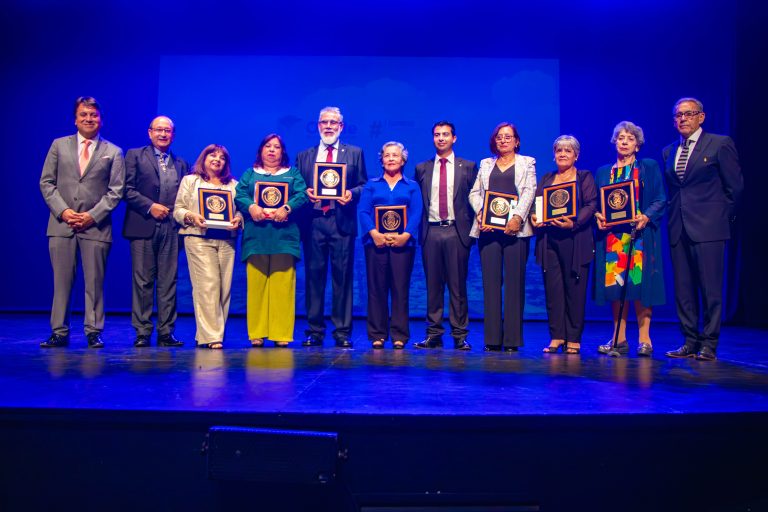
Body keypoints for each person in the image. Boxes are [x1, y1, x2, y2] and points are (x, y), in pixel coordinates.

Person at [39, 96, 125, 348]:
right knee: (61, 282)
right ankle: (59, 331)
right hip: (61, 225)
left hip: (96, 227)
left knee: (95, 282)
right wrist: (64, 212)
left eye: (94, 115)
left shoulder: (113, 151)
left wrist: (91, 216)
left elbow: (115, 191)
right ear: (75, 119)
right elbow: (46, 183)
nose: (89, 119)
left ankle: (93, 331)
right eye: (84, 115)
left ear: (101, 119)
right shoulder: (59, 145)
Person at [662, 97, 743, 361]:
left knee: (710, 289)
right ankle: (689, 341)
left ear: (701, 117)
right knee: (683, 290)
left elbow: (735, 188)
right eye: (678, 115)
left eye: (688, 114)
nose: (682, 119)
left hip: (710, 229)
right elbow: (674, 191)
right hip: (678, 228)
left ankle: (709, 343)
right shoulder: (669, 151)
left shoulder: (719, 144)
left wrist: (720, 219)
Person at [296, 106, 368, 348]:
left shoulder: (355, 153)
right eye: (324, 122)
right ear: (318, 126)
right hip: (314, 222)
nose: (328, 126)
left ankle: (342, 332)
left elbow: (363, 185)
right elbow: (297, 188)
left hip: (342, 222)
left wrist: (351, 193)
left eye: (333, 122)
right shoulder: (304, 156)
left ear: (341, 127)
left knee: (342, 278)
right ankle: (314, 331)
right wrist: (305, 193)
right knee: (314, 278)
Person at [594, 121, 666, 357]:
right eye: (621, 138)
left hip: (640, 236)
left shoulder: (647, 167)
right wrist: (599, 217)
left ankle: (645, 340)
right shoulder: (605, 172)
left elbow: (660, 199)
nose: (624, 142)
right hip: (615, 238)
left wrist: (646, 216)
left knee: (639, 286)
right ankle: (619, 339)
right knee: (616, 287)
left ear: (637, 145)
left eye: (630, 138)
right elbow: (598, 204)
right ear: (615, 141)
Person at [235, 134, 308, 348]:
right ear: (261, 150)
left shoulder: (292, 174)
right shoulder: (250, 174)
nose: (272, 150)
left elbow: (302, 195)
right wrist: (251, 207)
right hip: (256, 237)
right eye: (268, 146)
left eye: (277, 147)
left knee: (282, 287)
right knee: (256, 286)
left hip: (284, 237)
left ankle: (281, 333)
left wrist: (287, 208)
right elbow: (239, 194)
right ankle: (257, 332)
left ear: (282, 152)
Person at [469, 122, 536, 352]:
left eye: (508, 137)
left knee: (514, 285)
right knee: (490, 284)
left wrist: (517, 217)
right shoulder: (486, 164)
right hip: (488, 232)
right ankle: (492, 339)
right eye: (499, 137)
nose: (503, 140)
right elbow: (475, 192)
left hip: (515, 231)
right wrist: (480, 212)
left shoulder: (527, 163)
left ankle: (511, 341)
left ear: (516, 140)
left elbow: (529, 191)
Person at [123, 116, 188, 348]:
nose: (163, 134)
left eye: (167, 131)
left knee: (168, 281)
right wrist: (151, 207)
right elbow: (126, 190)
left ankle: (166, 332)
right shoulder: (134, 155)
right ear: (150, 132)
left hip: (171, 228)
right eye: (159, 130)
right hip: (143, 224)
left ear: (173, 135)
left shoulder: (181, 163)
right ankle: (142, 331)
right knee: (143, 281)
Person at [414, 121, 478, 351]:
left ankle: (460, 335)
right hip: (431, 231)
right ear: (433, 138)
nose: (441, 138)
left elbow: (476, 201)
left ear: (454, 138)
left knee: (457, 286)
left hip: (456, 231)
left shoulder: (468, 167)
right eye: (437, 135)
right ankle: (434, 334)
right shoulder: (422, 168)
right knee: (433, 286)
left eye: (445, 134)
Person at [532, 135, 597, 355]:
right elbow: (538, 204)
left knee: (575, 290)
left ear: (576, 155)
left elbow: (591, 204)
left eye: (568, 151)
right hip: (549, 240)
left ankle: (573, 338)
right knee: (553, 290)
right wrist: (534, 216)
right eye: (559, 151)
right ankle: (557, 336)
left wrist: (574, 221)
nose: (562, 154)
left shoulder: (584, 177)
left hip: (575, 239)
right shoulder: (547, 178)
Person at [173, 144, 242, 349]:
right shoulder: (190, 181)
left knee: (223, 289)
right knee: (208, 285)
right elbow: (178, 210)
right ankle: (213, 337)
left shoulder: (234, 185)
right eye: (213, 155)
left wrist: (238, 219)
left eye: (222, 157)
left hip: (227, 240)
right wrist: (191, 216)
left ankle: (205, 333)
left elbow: (240, 212)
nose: (217, 159)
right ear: (203, 158)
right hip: (198, 237)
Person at [358, 142, 422, 349]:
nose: (391, 158)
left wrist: (405, 235)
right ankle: (377, 334)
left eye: (396, 155)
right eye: (387, 155)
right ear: (382, 159)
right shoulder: (371, 185)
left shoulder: (411, 185)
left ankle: (399, 335)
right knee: (376, 289)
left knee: (400, 289)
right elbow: (363, 212)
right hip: (375, 244)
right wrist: (374, 233)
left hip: (403, 245)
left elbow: (416, 213)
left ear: (403, 160)